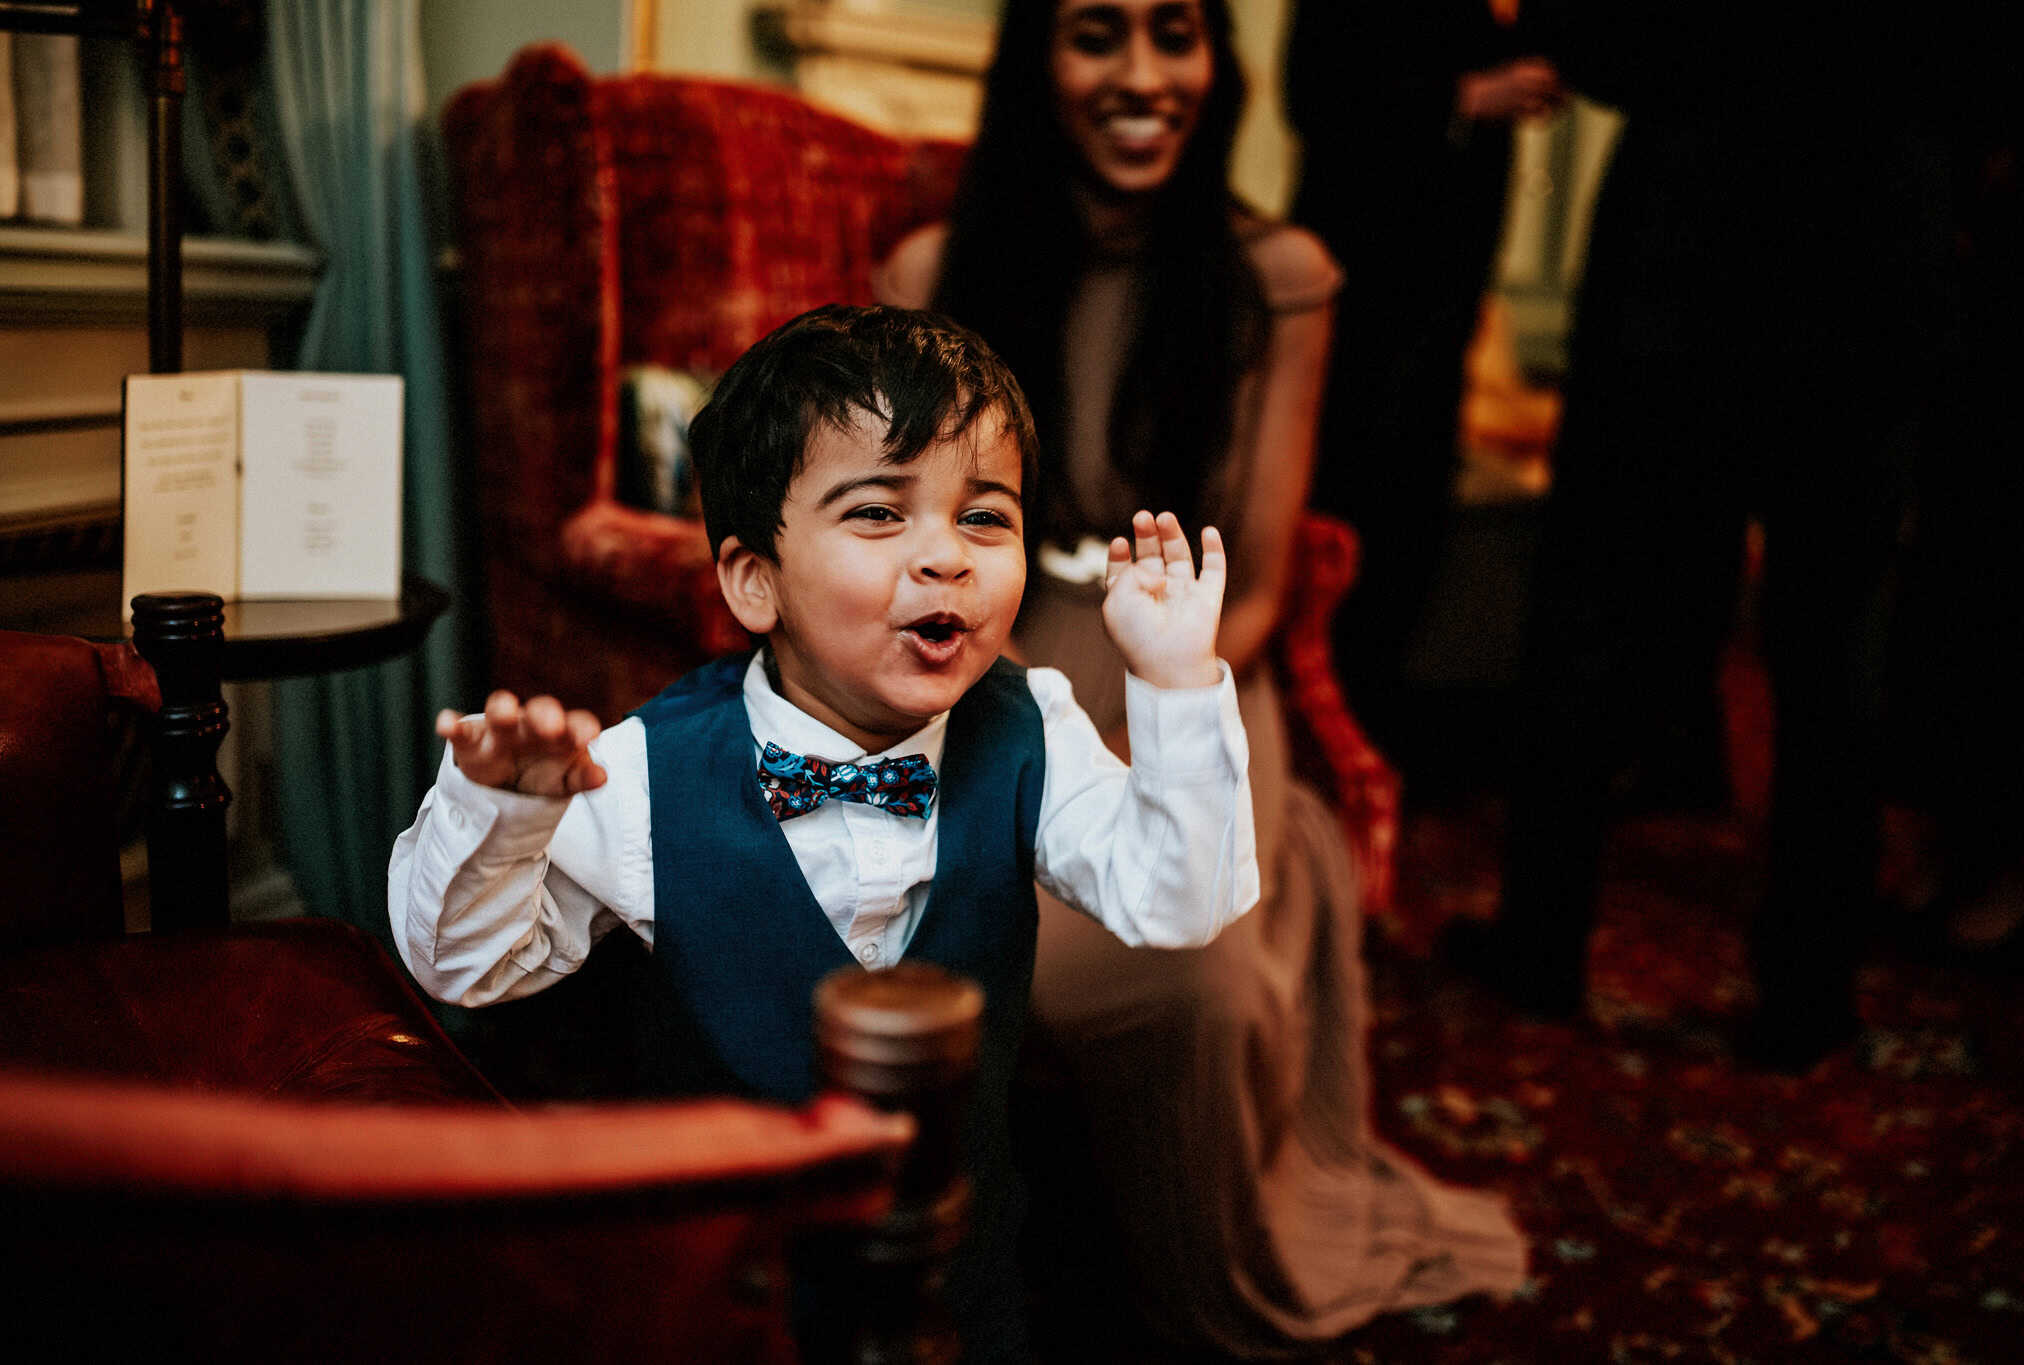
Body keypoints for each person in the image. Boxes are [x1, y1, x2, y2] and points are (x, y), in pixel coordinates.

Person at [387, 304, 1260, 1360]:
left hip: (960, 1277)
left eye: (984, 518)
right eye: (879, 515)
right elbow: (460, 969)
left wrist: (1172, 681)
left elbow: (1179, 900)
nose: (944, 557)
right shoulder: (647, 768)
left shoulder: (1036, 728)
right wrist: (509, 813)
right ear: (756, 580)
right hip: (719, 1293)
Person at [876, 1, 1527, 1353]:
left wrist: (1145, 727)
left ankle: (1184, 1278)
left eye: (1175, 33)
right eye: (1095, 33)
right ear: (1034, 64)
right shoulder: (934, 267)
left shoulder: (1277, 272)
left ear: (1218, 67)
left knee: (1189, 973)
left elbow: (1270, 583)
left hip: (1185, 655)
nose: (1141, 76)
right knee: (937, 923)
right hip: (987, 655)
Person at [1442, 4, 1958, 1070]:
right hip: (1876, 232)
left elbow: (1603, 42)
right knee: (1832, 637)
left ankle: (1543, 939)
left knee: (1595, 598)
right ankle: (1806, 994)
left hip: (1692, 221)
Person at [1285, 0, 1560, 751]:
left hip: (1448, 287)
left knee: (1413, 509)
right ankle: (1316, 729)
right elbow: (1314, 93)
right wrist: (1465, 97)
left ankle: (1372, 735)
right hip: (1362, 273)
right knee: (1345, 501)